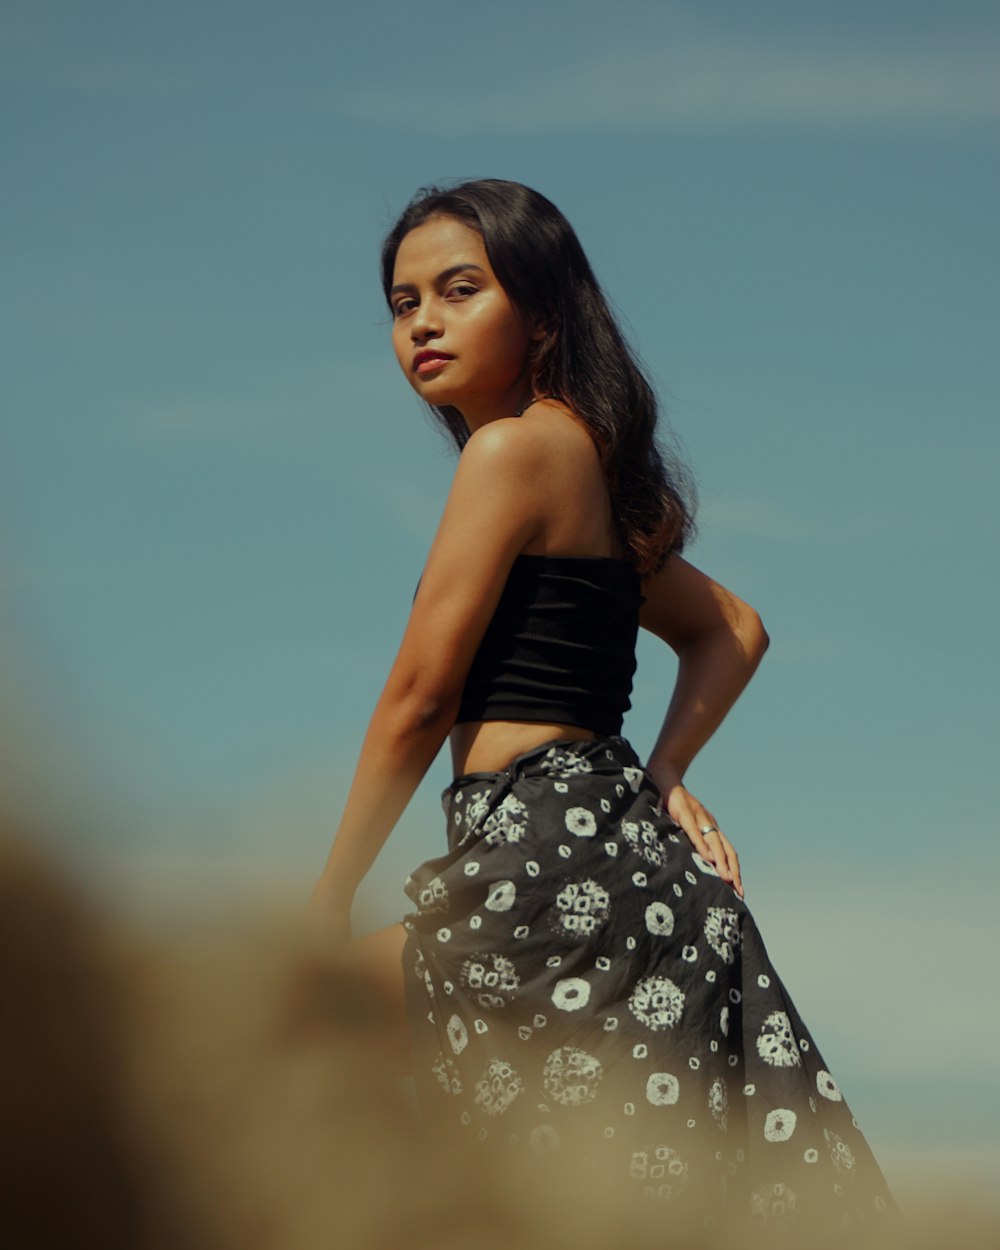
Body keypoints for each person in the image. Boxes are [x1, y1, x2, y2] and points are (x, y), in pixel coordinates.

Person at [308, 179, 897, 1232]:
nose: (424, 322)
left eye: (458, 289)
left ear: (539, 315)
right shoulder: (586, 467)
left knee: (276, 1040)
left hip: (540, 863)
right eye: (402, 302)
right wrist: (663, 773)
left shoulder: (514, 449)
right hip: (602, 863)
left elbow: (417, 697)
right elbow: (735, 625)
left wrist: (318, 901)